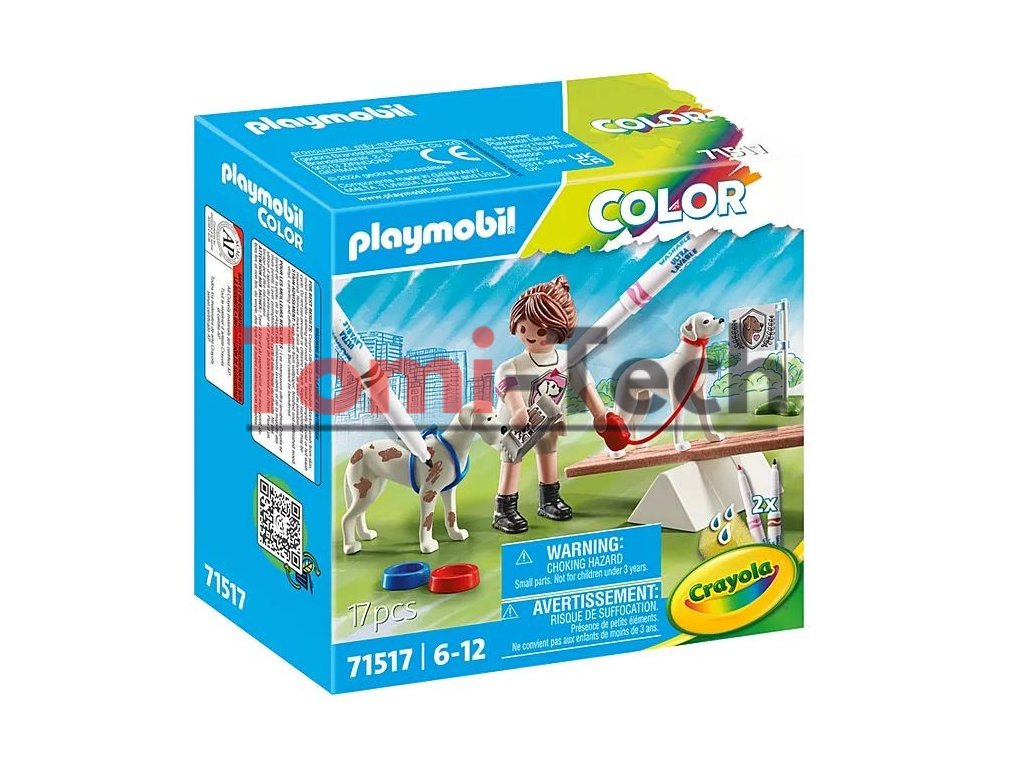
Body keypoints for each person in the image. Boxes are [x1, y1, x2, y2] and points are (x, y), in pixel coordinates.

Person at [492, 276, 609, 534]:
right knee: (512, 457)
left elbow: (585, 386)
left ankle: (549, 500)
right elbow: (508, 386)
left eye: (541, 331)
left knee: (548, 453)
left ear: (559, 328)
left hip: (550, 419)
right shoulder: (513, 365)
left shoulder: (568, 360)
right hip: (518, 425)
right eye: (524, 328)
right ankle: (505, 509)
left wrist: (600, 413)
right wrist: (518, 410)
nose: (531, 336)